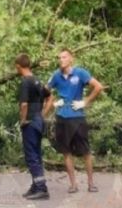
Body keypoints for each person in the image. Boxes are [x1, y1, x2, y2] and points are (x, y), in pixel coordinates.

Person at [43, 49, 104, 194]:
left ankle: (91, 184)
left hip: (77, 117)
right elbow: (44, 90)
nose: (61, 60)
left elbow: (98, 87)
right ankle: (73, 185)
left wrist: (85, 102)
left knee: (86, 151)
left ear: (71, 59)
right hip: (62, 117)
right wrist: (53, 102)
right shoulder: (56, 75)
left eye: (64, 57)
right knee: (66, 151)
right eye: (59, 58)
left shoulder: (80, 73)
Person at [14, 53, 51, 200]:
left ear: (18, 66)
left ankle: (41, 189)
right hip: (38, 121)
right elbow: (50, 97)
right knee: (36, 154)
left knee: (31, 156)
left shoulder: (25, 82)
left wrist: (23, 120)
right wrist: (42, 114)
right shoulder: (37, 81)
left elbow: (24, 104)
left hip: (30, 122)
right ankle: (36, 185)